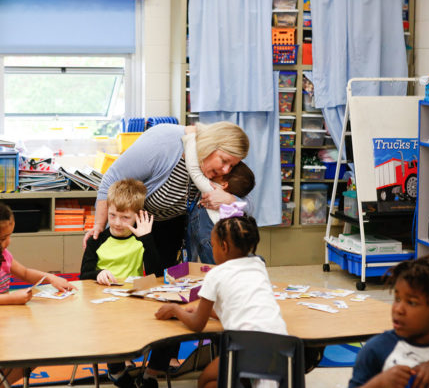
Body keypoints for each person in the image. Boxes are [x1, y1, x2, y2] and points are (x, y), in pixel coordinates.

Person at [83, 121, 250, 385]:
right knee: (123, 289)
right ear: (212, 145)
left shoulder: (216, 165)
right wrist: (100, 230)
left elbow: (243, 192)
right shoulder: (164, 142)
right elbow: (110, 180)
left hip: (172, 228)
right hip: (134, 224)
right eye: (225, 161)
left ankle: (157, 367)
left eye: (232, 165)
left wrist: (230, 199)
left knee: (164, 291)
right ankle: (118, 357)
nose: (226, 170)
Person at [155, 211, 287, 388]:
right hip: (283, 347)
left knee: (205, 381)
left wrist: (175, 310)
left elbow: (197, 325)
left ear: (224, 246)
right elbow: (241, 307)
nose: (212, 249)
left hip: (246, 348)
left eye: (213, 244)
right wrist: (209, 312)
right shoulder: (258, 265)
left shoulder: (215, 274)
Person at [0, 199, 76, 388]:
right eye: (2, 238)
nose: (8, 242)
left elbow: (26, 273)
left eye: (9, 236)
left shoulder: (2, 255)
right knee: (35, 350)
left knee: (39, 348)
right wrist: (10, 298)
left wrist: (51, 278)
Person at [79, 178, 159, 388]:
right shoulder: (98, 239)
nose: (116, 222)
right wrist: (98, 273)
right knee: (110, 325)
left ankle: (150, 374)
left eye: (125, 218)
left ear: (138, 216)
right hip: (103, 304)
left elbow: (156, 274)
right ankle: (117, 370)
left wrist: (147, 239)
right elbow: (83, 275)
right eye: (113, 215)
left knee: (169, 324)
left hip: (134, 302)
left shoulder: (142, 239)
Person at [348, 256, 429, 388]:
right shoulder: (376, 350)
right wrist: (380, 382)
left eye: (412, 302)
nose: (398, 309)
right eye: (397, 299)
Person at [182, 130, 255, 263]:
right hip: (229, 242)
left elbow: (194, 171)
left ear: (225, 184)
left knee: (213, 270)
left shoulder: (213, 189)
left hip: (210, 238)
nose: (221, 170)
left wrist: (190, 139)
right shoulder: (235, 201)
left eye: (218, 174)